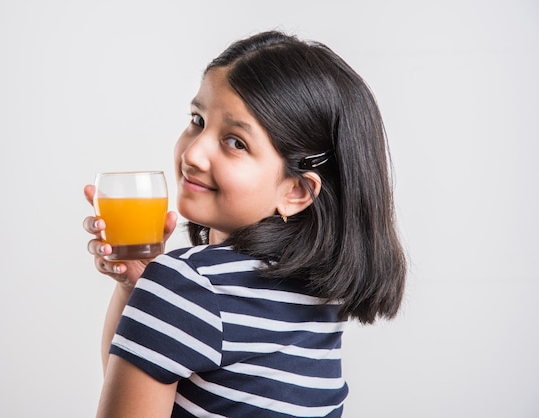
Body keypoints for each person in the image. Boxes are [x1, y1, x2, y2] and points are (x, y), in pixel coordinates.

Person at [83, 30, 406, 417]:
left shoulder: (189, 285)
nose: (193, 152)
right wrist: (136, 292)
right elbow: (141, 381)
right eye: (197, 120)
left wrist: (160, 292)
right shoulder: (319, 295)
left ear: (296, 190)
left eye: (236, 142)